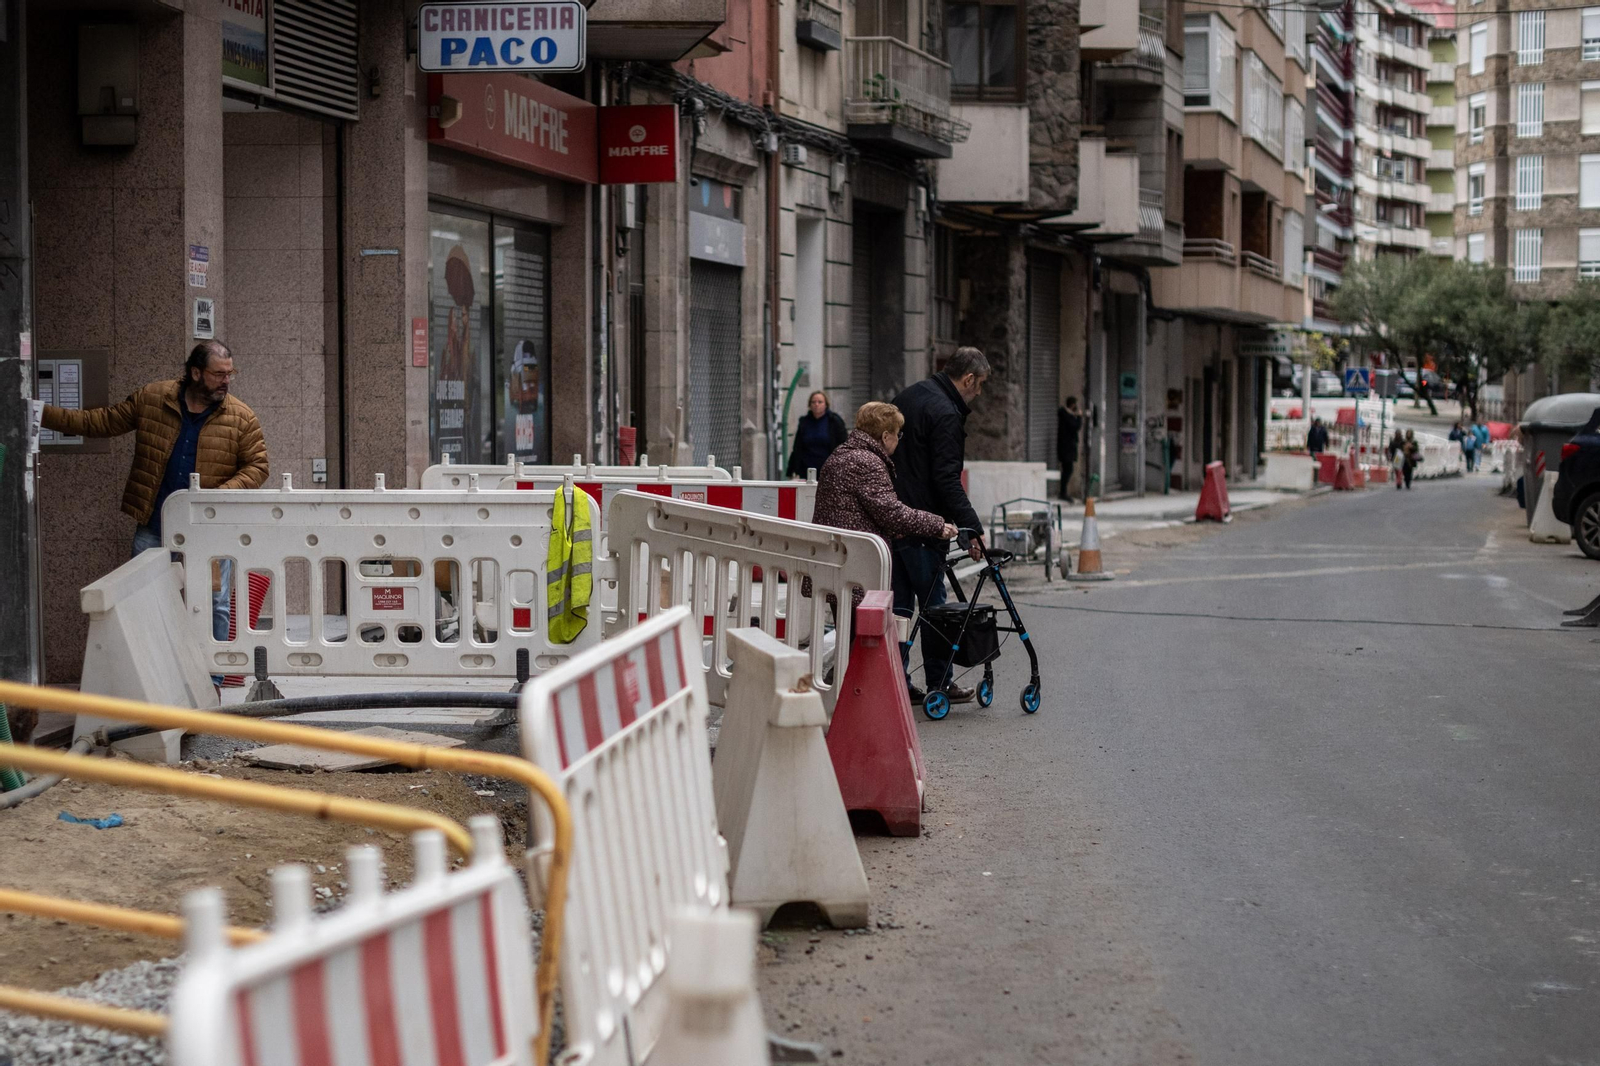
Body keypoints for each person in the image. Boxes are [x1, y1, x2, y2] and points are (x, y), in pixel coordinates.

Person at [40, 340, 269, 679]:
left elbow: (258, 466)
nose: (227, 381)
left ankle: (214, 679)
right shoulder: (152, 398)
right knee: (142, 599)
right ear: (195, 373)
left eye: (230, 374)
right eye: (219, 374)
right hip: (154, 524)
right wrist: (40, 414)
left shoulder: (241, 416)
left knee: (215, 603)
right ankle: (153, 677)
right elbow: (101, 422)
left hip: (208, 529)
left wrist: (218, 496)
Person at [889, 346, 989, 704]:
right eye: (978, 387)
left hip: (892, 518)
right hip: (924, 524)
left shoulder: (910, 395)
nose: (978, 394)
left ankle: (897, 680)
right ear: (968, 378)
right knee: (935, 608)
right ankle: (940, 682)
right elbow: (947, 480)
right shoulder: (946, 413)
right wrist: (972, 528)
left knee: (898, 608)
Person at [812, 402, 957, 612]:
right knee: (862, 636)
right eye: (898, 434)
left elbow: (861, 509)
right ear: (886, 436)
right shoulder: (868, 462)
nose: (899, 440)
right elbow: (891, 512)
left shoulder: (841, 454)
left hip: (838, 559)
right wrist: (937, 525)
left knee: (849, 633)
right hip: (857, 566)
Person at [785, 390, 849, 479]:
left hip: (829, 470)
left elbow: (844, 445)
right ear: (809, 405)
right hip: (807, 470)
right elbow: (797, 447)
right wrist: (791, 470)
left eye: (820, 402)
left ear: (826, 404)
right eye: (813, 402)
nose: (816, 405)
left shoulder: (834, 421)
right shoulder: (804, 422)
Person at [1056, 397, 1083, 501]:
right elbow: (1075, 427)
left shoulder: (1067, 415)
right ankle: (1063, 492)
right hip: (1066, 448)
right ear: (1072, 405)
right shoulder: (1066, 416)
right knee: (1068, 470)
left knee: (1067, 470)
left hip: (1067, 447)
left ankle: (1063, 492)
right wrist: (1079, 417)